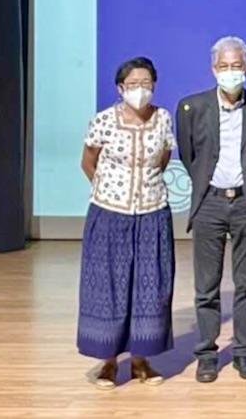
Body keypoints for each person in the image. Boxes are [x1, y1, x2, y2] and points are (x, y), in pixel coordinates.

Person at [176, 36, 246, 382]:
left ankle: (244, 351)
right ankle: (207, 353)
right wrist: (210, 186)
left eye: (236, 66)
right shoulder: (192, 107)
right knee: (207, 286)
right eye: (223, 66)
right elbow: (189, 156)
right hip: (209, 203)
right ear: (213, 69)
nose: (230, 72)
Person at [77, 57, 176, 389]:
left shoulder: (163, 119)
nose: (140, 90)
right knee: (109, 288)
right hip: (109, 215)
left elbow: (163, 160)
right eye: (133, 84)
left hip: (152, 213)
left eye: (146, 83)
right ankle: (107, 363)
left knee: (150, 288)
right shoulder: (103, 120)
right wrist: (111, 192)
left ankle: (140, 360)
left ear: (154, 85)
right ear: (120, 88)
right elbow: (88, 162)